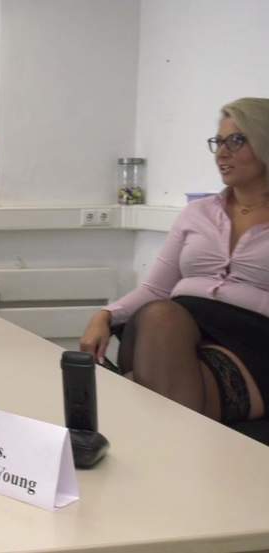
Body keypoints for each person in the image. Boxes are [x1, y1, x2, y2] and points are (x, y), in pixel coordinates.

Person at [80, 98, 269, 424]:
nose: (222, 153)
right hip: (177, 324)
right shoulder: (197, 213)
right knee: (161, 317)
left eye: (236, 141)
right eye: (218, 142)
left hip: (250, 335)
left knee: (145, 388)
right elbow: (155, 288)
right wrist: (105, 315)